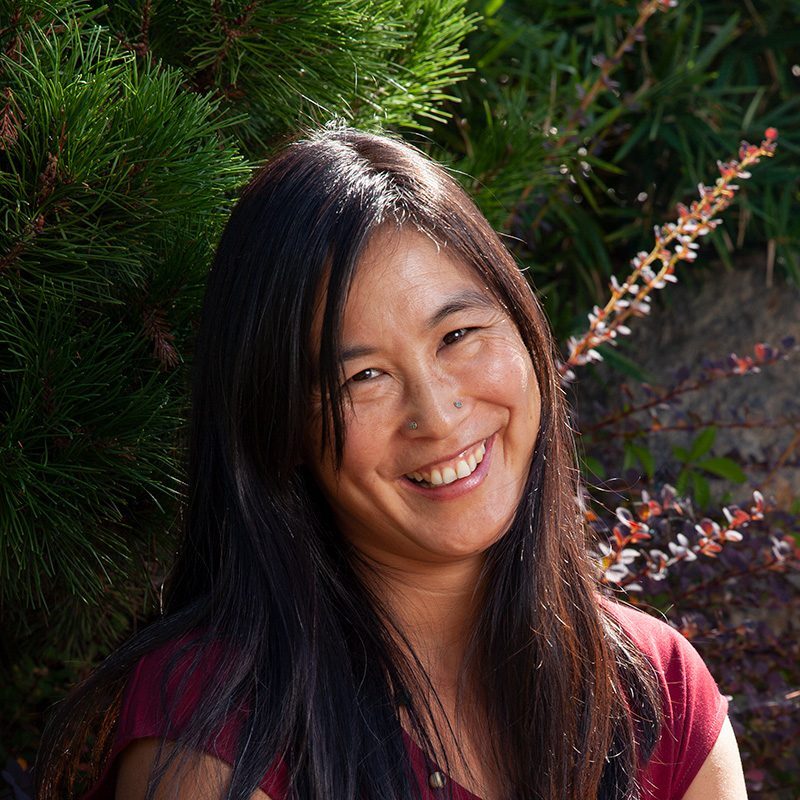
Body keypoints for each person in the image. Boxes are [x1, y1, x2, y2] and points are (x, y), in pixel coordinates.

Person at [37, 126, 747, 800]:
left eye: (458, 334)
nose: (437, 416)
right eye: (361, 378)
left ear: (524, 330)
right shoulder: (218, 723)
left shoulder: (655, 689)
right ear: (277, 426)